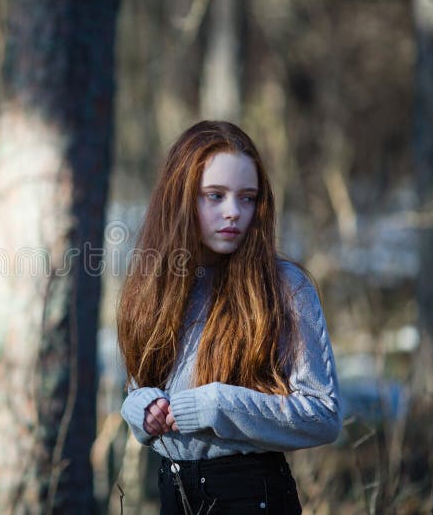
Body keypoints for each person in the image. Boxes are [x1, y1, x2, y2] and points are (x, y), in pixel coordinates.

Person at [118, 120, 342, 514]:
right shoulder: (155, 284)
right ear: (181, 198)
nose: (233, 212)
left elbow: (322, 414)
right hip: (173, 494)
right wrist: (140, 409)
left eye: (248, 197)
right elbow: (141, 383)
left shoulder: (285, 287)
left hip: (252, 497)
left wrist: (217, 404)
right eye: (215, 195)